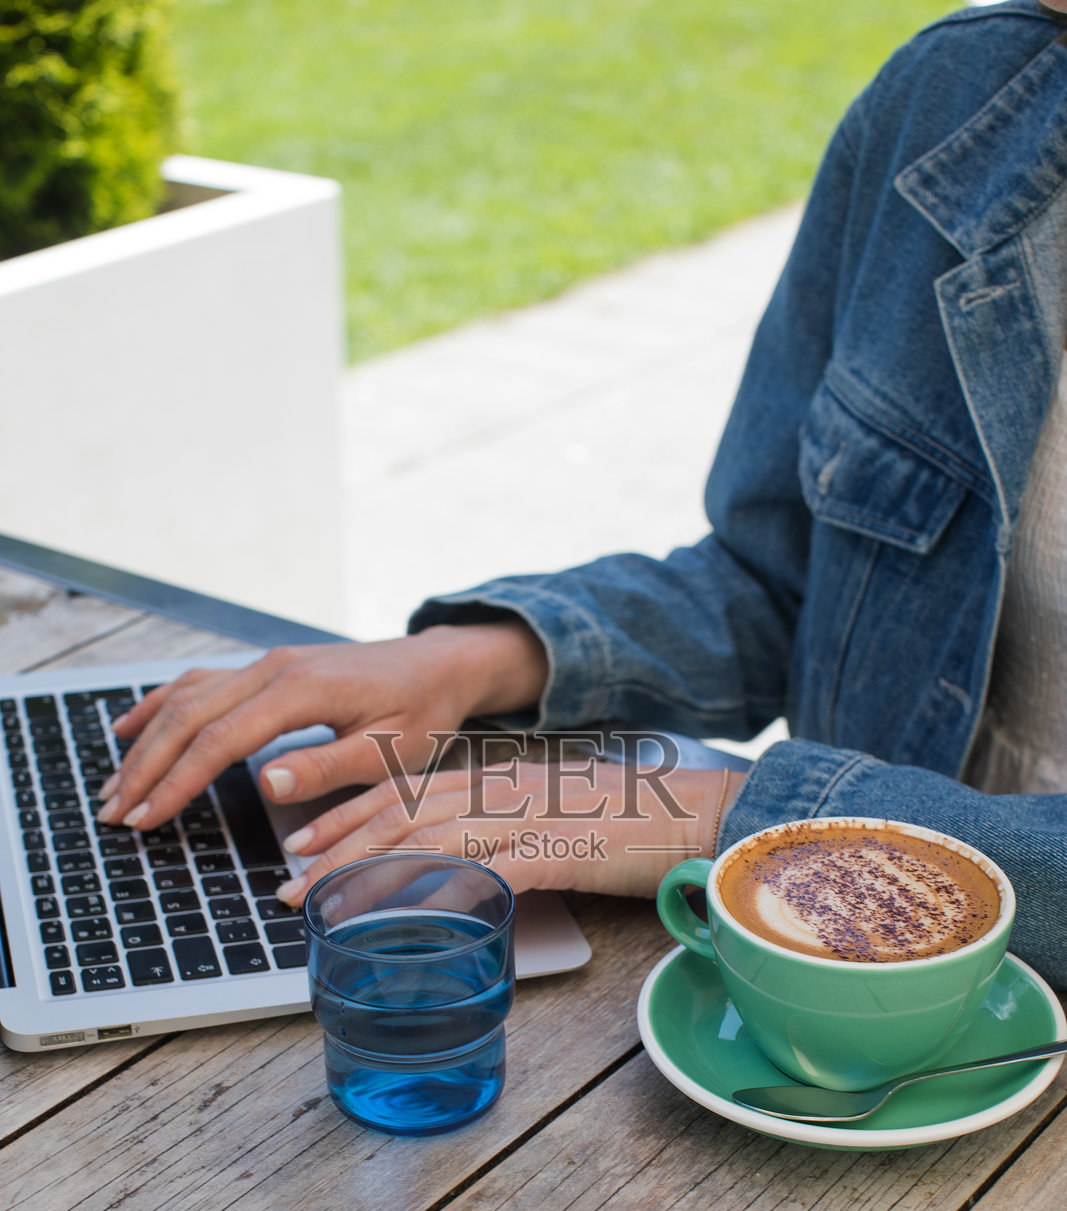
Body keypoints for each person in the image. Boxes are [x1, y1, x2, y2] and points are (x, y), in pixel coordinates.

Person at [99, 0, 1067, 985]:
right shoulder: (958, 100)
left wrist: (709, 815)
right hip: (819, 994)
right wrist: (479, 659)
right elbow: (784, 584)